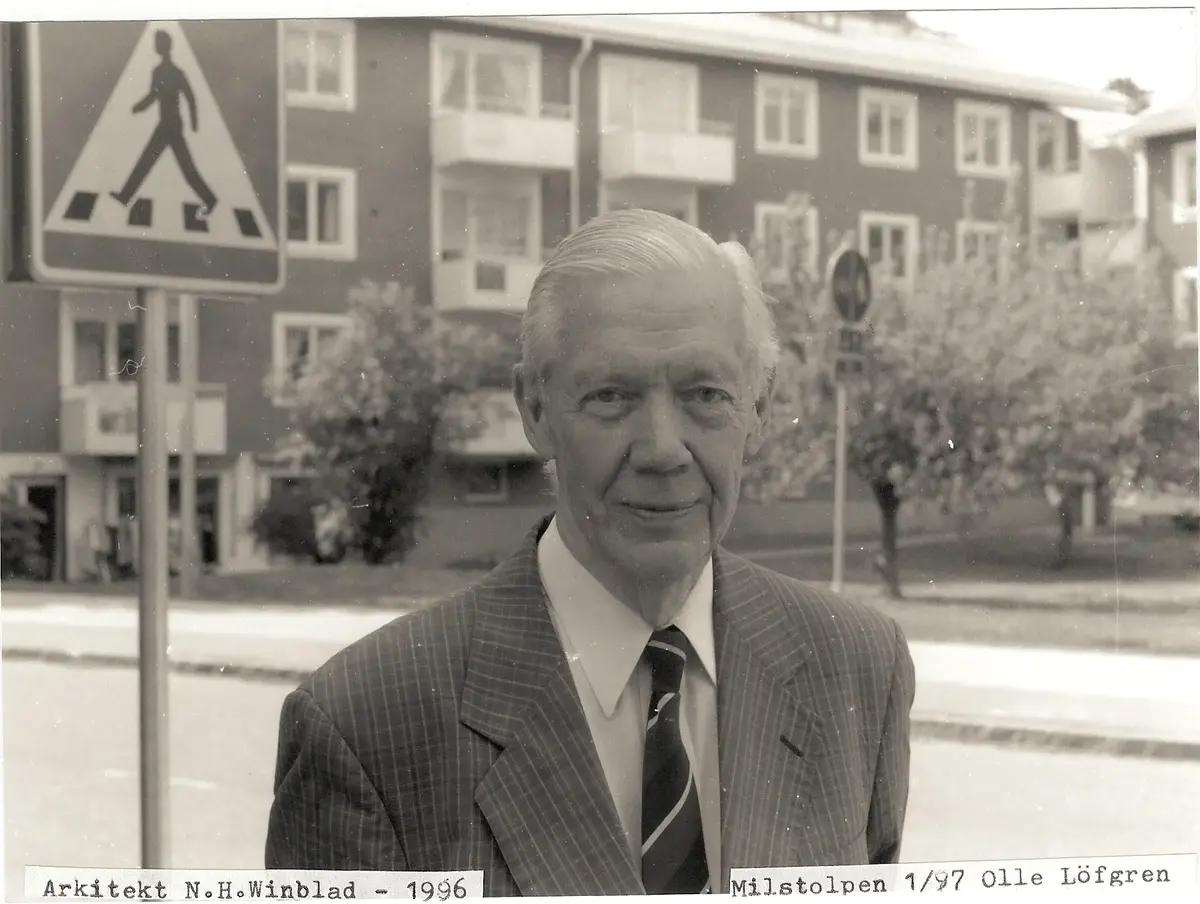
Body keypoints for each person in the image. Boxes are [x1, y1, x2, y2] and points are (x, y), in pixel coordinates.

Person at [265, 209, 916, 895]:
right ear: (534, 409)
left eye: (706, 394)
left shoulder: (859, 670)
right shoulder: (364, 724)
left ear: (759, 408)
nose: (663, 450)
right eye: (611, 396)